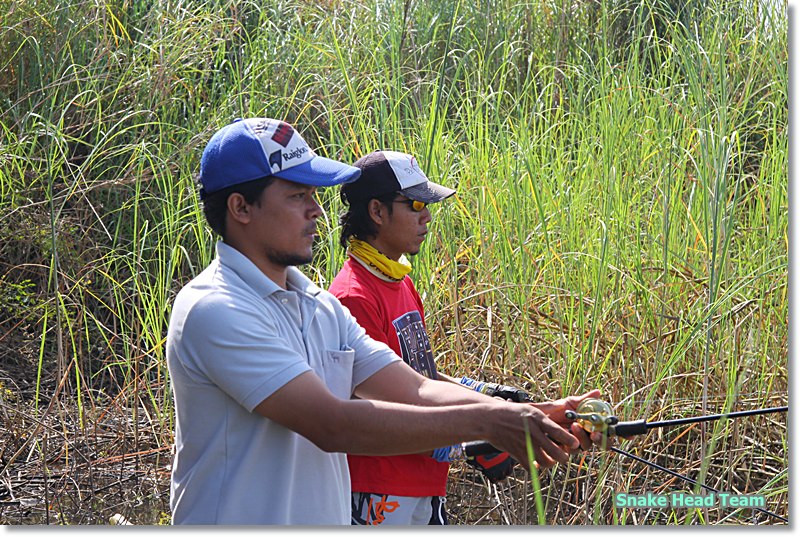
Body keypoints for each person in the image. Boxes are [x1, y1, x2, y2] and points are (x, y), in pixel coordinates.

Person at [166, 117, 602, 525]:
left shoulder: (318, 306)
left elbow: (414, 387)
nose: (316, 210)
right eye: (298, 196)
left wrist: (524, 414)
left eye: (314, 196)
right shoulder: (215, 309)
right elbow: (331, 423)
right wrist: (489, 424)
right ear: (241, 207)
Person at [330, 150, 538, 525]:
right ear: (377, 212)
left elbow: (418, 377)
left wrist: (485, 394)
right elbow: (379, 409)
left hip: (424, 484)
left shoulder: (401, 282)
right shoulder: (352, 296)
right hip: (379, 489)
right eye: (415, 204)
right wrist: (471, 437)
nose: (427, 215)